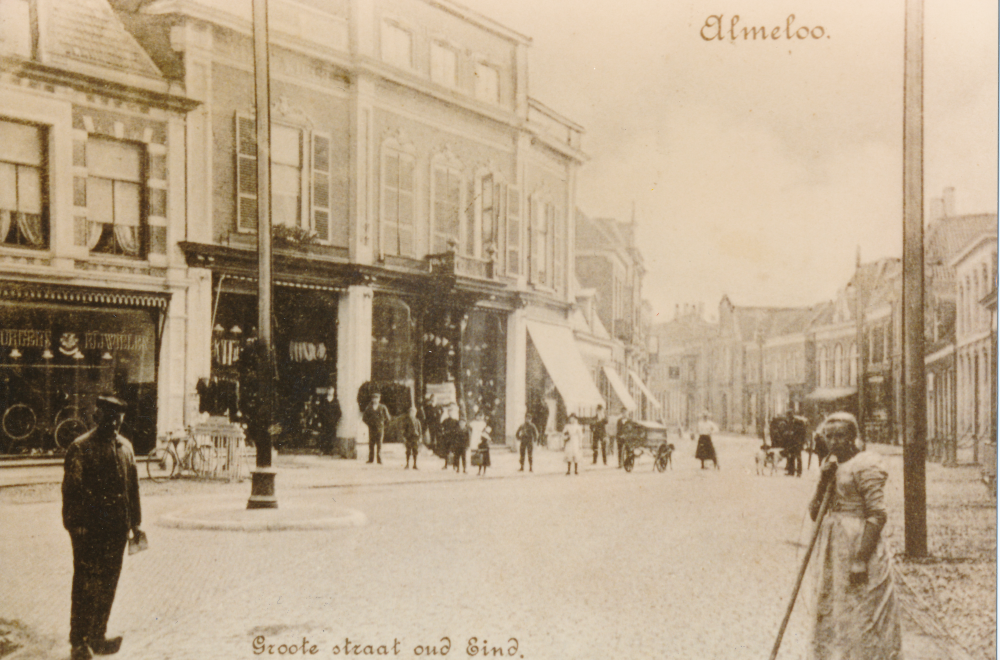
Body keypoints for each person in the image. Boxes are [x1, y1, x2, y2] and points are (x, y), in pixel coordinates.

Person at [807, 412, 901, 660]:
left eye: (841, 435)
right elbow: (815, 513)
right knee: (835, 608)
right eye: (829, 436)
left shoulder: (866, 464)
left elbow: (878, 514)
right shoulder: (831, 465)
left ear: (853, 437)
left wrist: (861, 559)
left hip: (859, 543)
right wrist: (823, 481)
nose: (835, 441)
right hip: (834, 547)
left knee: (861, 608)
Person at [62, 395, 142, 660]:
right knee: (86, 584)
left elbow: (132, 488)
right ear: (98, 418)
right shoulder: (80, 447)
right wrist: (76, 526)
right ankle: (78, 641)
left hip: (116, 530)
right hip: (90, 531)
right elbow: (72, 492)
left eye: (118, 422)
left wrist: (136, 523)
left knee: (109, 583)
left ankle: (98, 636)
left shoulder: (125, 448)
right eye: (110, 420)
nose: (115, 426)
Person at [362, 391, 391, 464]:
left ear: (379, 399)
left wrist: (382, 423)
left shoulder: (382, 407)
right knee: (371, 444)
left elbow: (388, 418)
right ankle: (370, 459)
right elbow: (364, 418)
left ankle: (379, 459)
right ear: (372, 399)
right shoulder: (369, 408)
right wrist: (369, 423)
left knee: (379, 444)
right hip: (371, 428)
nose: (375, 400)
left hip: (380, 428)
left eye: (377, 398)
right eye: (374, 398)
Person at [317, 387, 342, 456]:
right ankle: (323, 450)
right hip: (324, 422)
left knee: (331, 436)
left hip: (332, 422)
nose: (330, 392)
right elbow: (320, 411)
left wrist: (335, 420)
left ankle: (330, 451)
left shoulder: (335, 401)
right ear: (327, 391)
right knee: (324, 435)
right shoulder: (324, 400)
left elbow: (339, 413)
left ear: (334, 392)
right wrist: (319, 421)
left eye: (332, 391)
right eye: (329, 390)